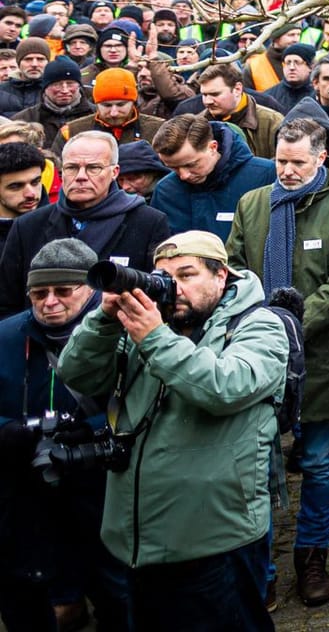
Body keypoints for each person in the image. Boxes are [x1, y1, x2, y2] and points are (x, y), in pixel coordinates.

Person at [57, 231, 290, 632]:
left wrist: (154, 338)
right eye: (163, 276)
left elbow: (225, 387)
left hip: (215, 536)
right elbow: (77, 373)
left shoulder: (259, 325)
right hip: (140, 539)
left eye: (187, 274)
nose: (173, 287)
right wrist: (103, 319)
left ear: (222, 276)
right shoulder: (152, 326)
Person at [224, 117, 329, 606]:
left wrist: (285, 328)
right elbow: (236, 274)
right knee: (259, 466)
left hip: (321, 358)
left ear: (321, 158)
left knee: (319, 463)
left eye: (296, 163)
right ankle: (259, 565)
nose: (286, 171)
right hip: (254, 359)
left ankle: (312, 555)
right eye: (280, 161)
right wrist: (256, 330)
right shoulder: (253, 203)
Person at [0, 241, 132, 632]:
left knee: (116, 590)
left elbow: (145, 406)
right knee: (24, 589)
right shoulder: (7, 337)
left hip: (105, 484)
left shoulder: (123, 329)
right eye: (39, 294)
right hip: (26, 486)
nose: (50, 303)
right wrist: (12, 431)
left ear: (91, 290)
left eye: (63, 292)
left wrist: (87, 432)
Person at [0, 132, 171, 319]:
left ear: (114, 172)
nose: (81, 176)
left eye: (93, 168)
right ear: (61, 172)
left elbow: (157, 297)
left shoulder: (149, 222)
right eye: (72, 168)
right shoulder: (28, 226)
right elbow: (8, 302)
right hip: (41, 341)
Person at [150, 114, 275, 239]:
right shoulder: (165, 191)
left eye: (191, 165)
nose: (184, 176)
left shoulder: (264, 176)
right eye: (173, 168)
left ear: (212, 147)